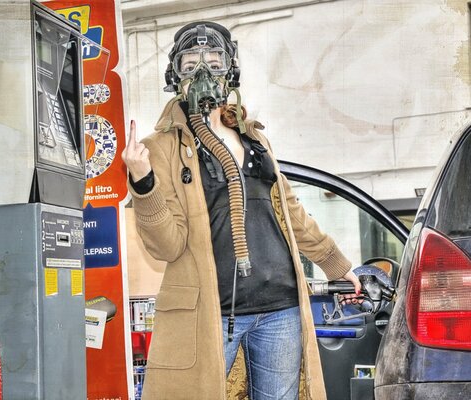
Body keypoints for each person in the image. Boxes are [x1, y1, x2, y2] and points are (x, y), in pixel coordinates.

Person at [122, 21, 361, 400]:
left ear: (230, 69)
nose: (203, 72)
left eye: (214, 61)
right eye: (190, 64)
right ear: (175, 75)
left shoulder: (254, 137)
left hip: (280, 309)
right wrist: (143, 181)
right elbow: (167, 247)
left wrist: (337, 264)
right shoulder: (161, 147)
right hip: (212, 314)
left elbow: (290, 212)